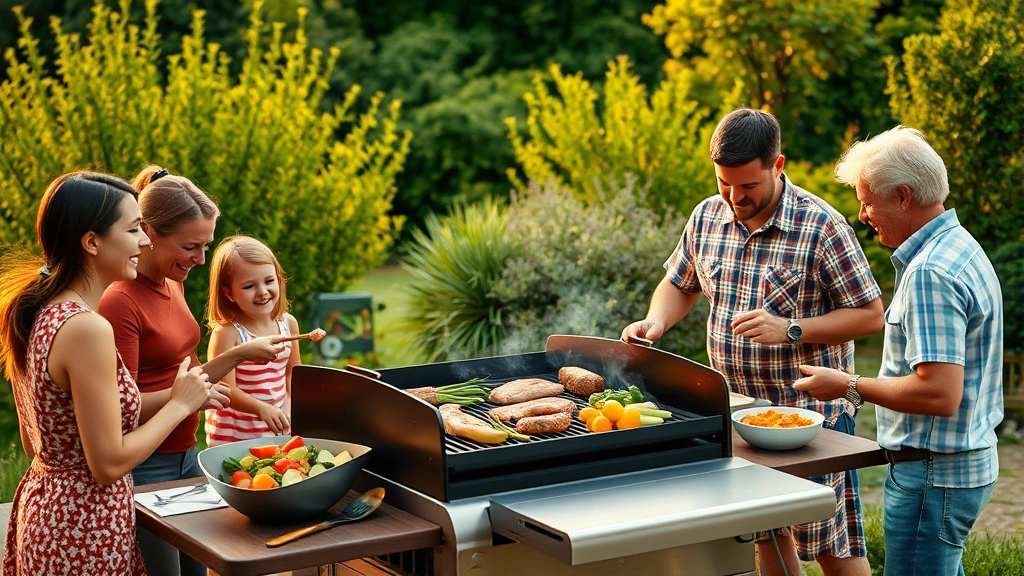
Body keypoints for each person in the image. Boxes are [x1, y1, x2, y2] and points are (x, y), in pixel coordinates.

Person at [621, 108, 884, 576]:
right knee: (765, 538)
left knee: (831, 547)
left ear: (777, 166)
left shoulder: (821, 226)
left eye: (747, 186)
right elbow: (680, 285)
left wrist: (791, 328)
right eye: (724, 182)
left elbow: (869, 315)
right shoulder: (707, 216)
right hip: (738, 415)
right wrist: (655, 322)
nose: (734, 197)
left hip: (810, 424)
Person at [794, 126, 1002, 576]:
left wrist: (847, 385)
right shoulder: (960, 247)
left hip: (932, 477)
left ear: (903, 196)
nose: (862, 213)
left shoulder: (930, 273)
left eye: (868, 200)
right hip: (957, 470)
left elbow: (938, 394)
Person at [0, 172, 221, 575]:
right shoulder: (86, 327)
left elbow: (35, 446)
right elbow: (108, 464)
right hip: (84, 532)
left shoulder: (41, 312)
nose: (144, 241)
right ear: (92, 242)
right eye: (134, 229)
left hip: (53, 516)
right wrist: (179, 404)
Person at [98, 166, 287, 576]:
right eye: (190, 246)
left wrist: (236, 357)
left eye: (206, 246)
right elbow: (119, 410)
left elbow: (189, 368)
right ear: (147, 232)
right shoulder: (120, 301)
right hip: (148, 463)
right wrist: (187, 399)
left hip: (188, 454)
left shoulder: (172, 281)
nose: (201, 260)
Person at [203, 235, 301, 446]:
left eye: (269, 281)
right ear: (229, 294)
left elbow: (294, 372)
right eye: (249, 287)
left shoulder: (288, 324)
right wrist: (262, 408)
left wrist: (289, 405)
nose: (262, 292)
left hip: (275, 428)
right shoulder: (227, 333)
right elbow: (225, 390)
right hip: (235, 436)